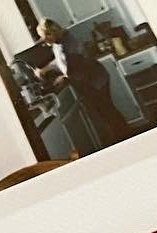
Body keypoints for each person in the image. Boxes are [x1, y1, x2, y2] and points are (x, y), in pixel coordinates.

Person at [34, 17, 130, 150]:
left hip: (94, 80)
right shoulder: (60, 40)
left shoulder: (67, 43)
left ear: (51, 34)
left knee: (107, 111)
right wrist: (46, 68)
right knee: (107, 111)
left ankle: (125, 141)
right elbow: (60, 60)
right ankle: (125, 138)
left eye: (43, 37)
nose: (42, 41)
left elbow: (75, 66)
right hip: (94, 78)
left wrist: (64, 77)